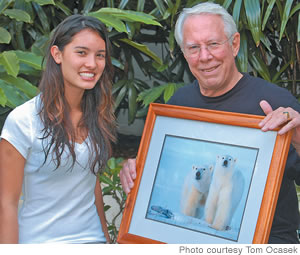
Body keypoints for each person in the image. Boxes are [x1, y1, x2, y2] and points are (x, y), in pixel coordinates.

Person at [119, 2, 300, 244]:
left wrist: (298, 137)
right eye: (194, 47)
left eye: (214, 44)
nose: (205, 57)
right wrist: (134, 172)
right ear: (184, 53)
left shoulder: (277, 103)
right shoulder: (177, 107)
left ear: (234, 44)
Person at [0, 14, 116, 243]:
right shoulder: (24, 121)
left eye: (99, 55)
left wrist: (107, 241)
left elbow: (91, 186)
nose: (92, 64)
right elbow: (7, 203)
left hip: (92, 241)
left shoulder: (98, 115)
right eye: (81, 53)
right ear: (57, 54)